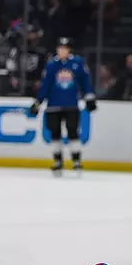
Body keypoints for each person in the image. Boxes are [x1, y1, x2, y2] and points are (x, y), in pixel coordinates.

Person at [30, 37, 97, 176]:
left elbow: (85, 81)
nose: (62, 51)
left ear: (69, 50)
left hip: (71, 105)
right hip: (53, 105)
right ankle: (57, 160)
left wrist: (89, 97)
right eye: (60, 48)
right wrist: (38, 101)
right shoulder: (51, 65)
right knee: (55, 133)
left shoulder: (77, 63)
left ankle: (76, 160)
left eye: (65, 48)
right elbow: (46, 84)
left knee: (73, 131)